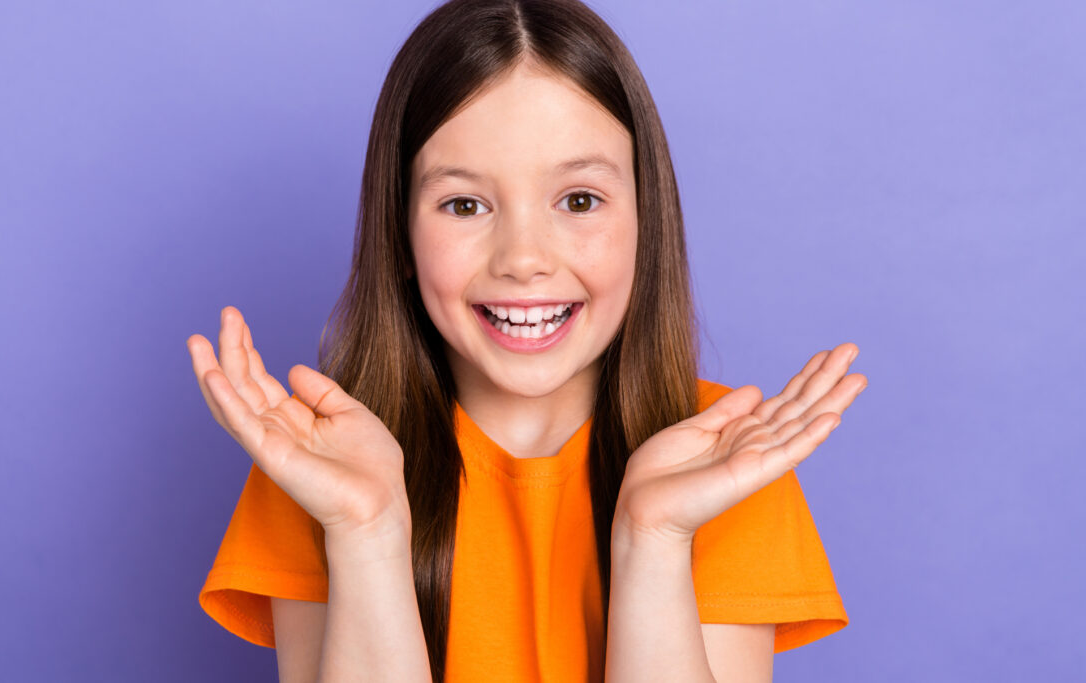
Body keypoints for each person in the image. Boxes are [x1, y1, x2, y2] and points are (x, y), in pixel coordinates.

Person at [187, 0, 867, 681]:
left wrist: (653, 539)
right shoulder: (319, 467)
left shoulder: (727, 465)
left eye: (578, 201)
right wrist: (364, 533)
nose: (524, 259)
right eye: (465, 204)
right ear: (399, 234)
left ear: (645, 220)